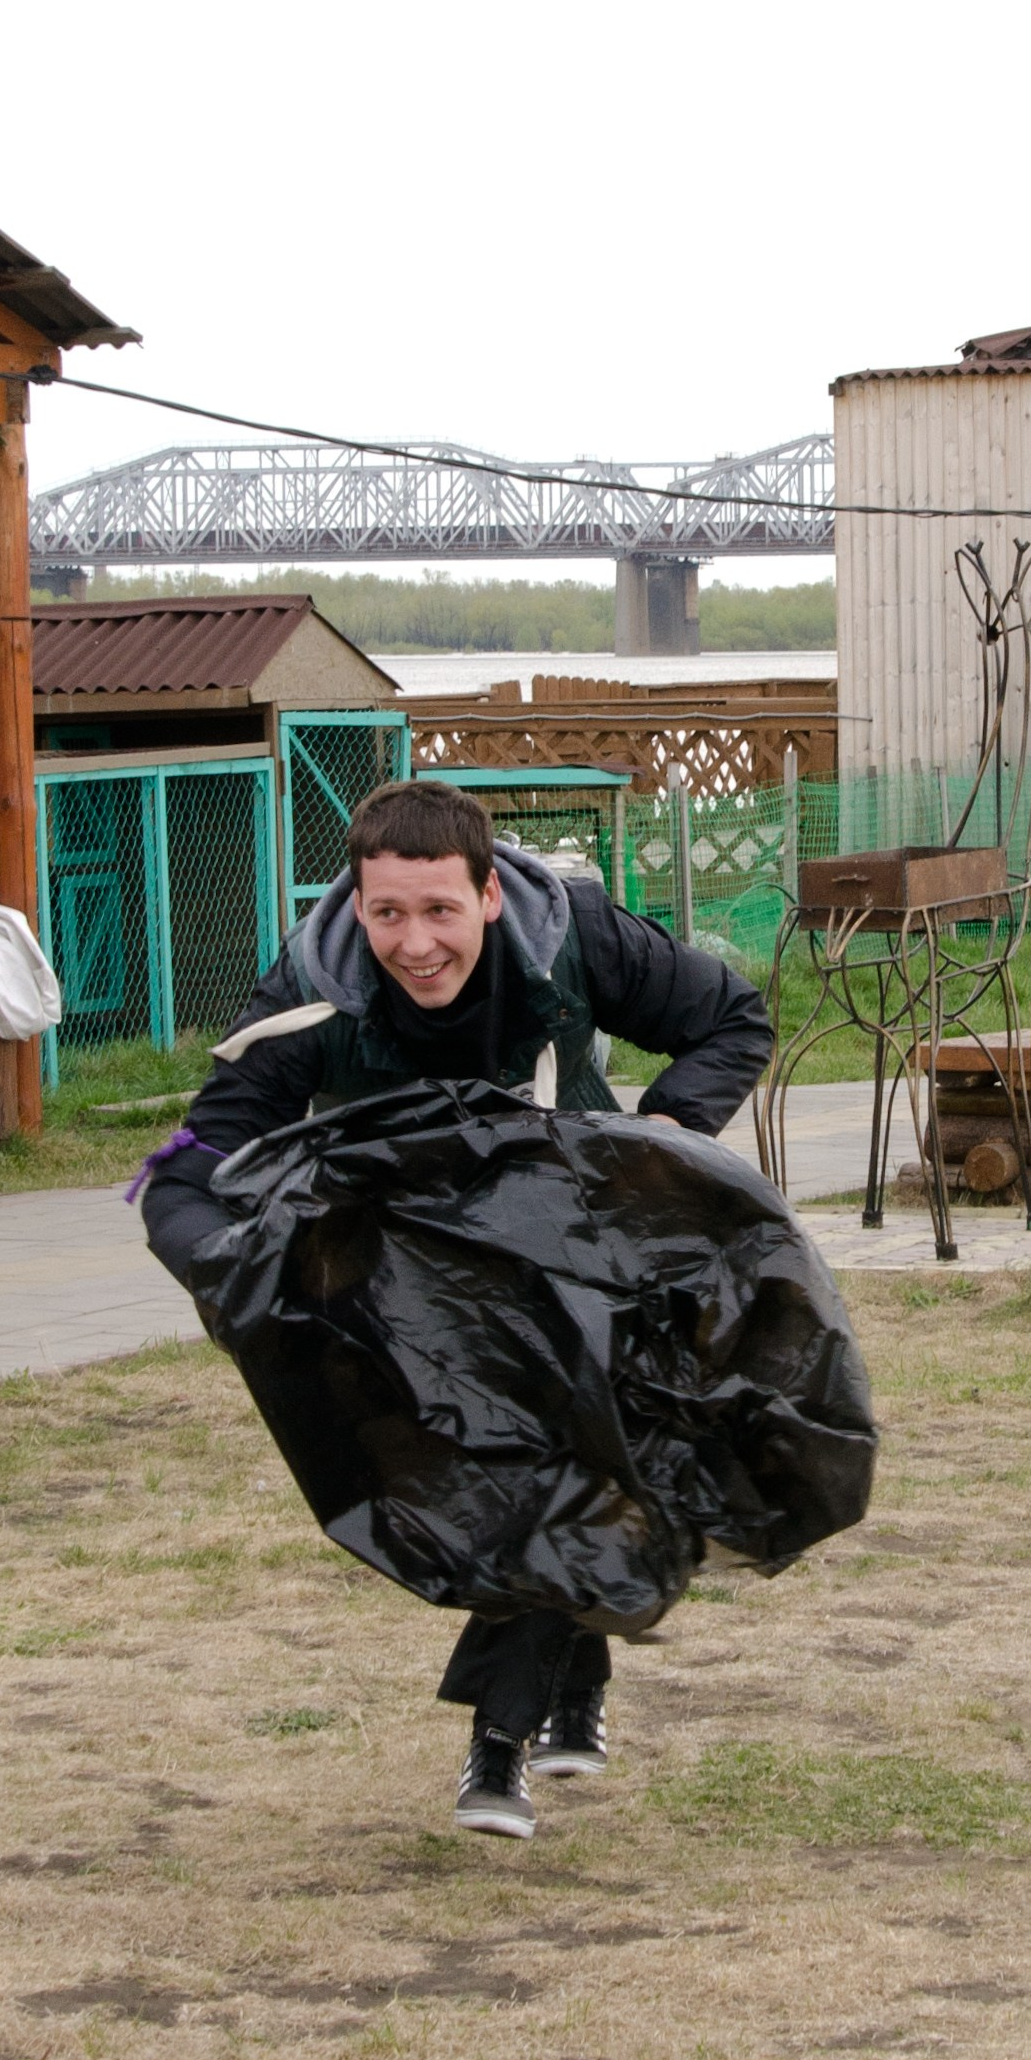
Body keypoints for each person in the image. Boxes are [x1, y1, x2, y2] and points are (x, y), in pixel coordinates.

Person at [141, 775, 774, 1842]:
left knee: (569, 1464)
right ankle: (571, 1689)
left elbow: (731, 1019)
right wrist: (232, 1269)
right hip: (416, 1269)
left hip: (578, 1240)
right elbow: (187, 1164)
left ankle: (497, 1741)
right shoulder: (309, 991)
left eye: (439, 910)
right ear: (354, 903)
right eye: (385, 912)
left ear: (487, 896)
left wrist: (658, 1138)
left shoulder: (572, 935)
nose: (413, 942)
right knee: (511, 1479)